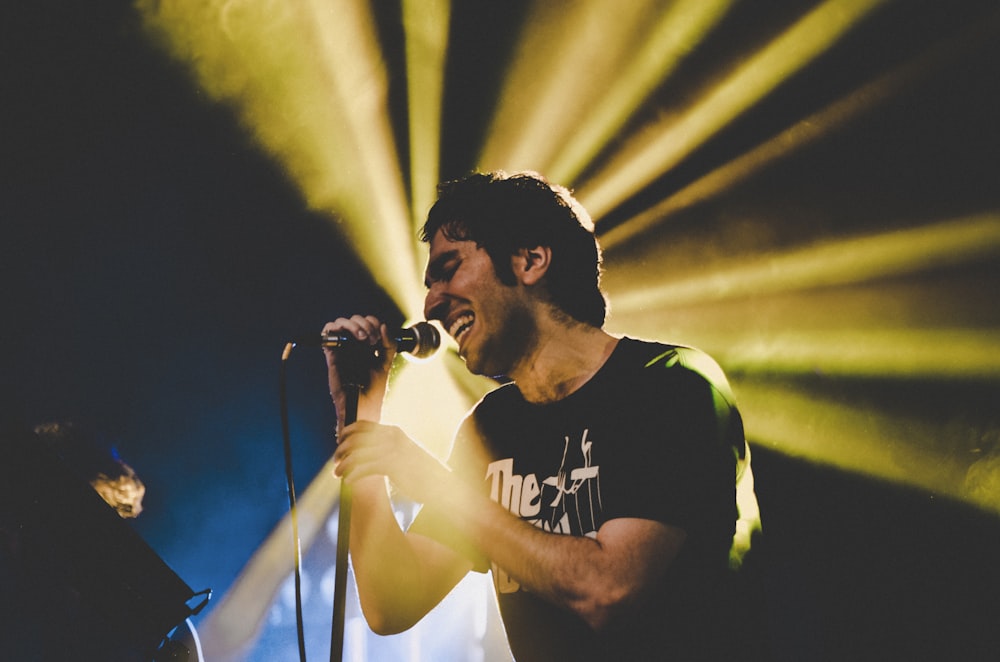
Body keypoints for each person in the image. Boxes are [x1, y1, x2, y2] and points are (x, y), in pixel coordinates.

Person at [323, 171, 756, 660]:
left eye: (450, 267)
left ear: (530, 260)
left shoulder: (671, 385)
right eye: (429, 283)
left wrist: (437, 484)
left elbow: (607, 590)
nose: (431, 303)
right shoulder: (491, 428)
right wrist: (362, 416)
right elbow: (390, 603)